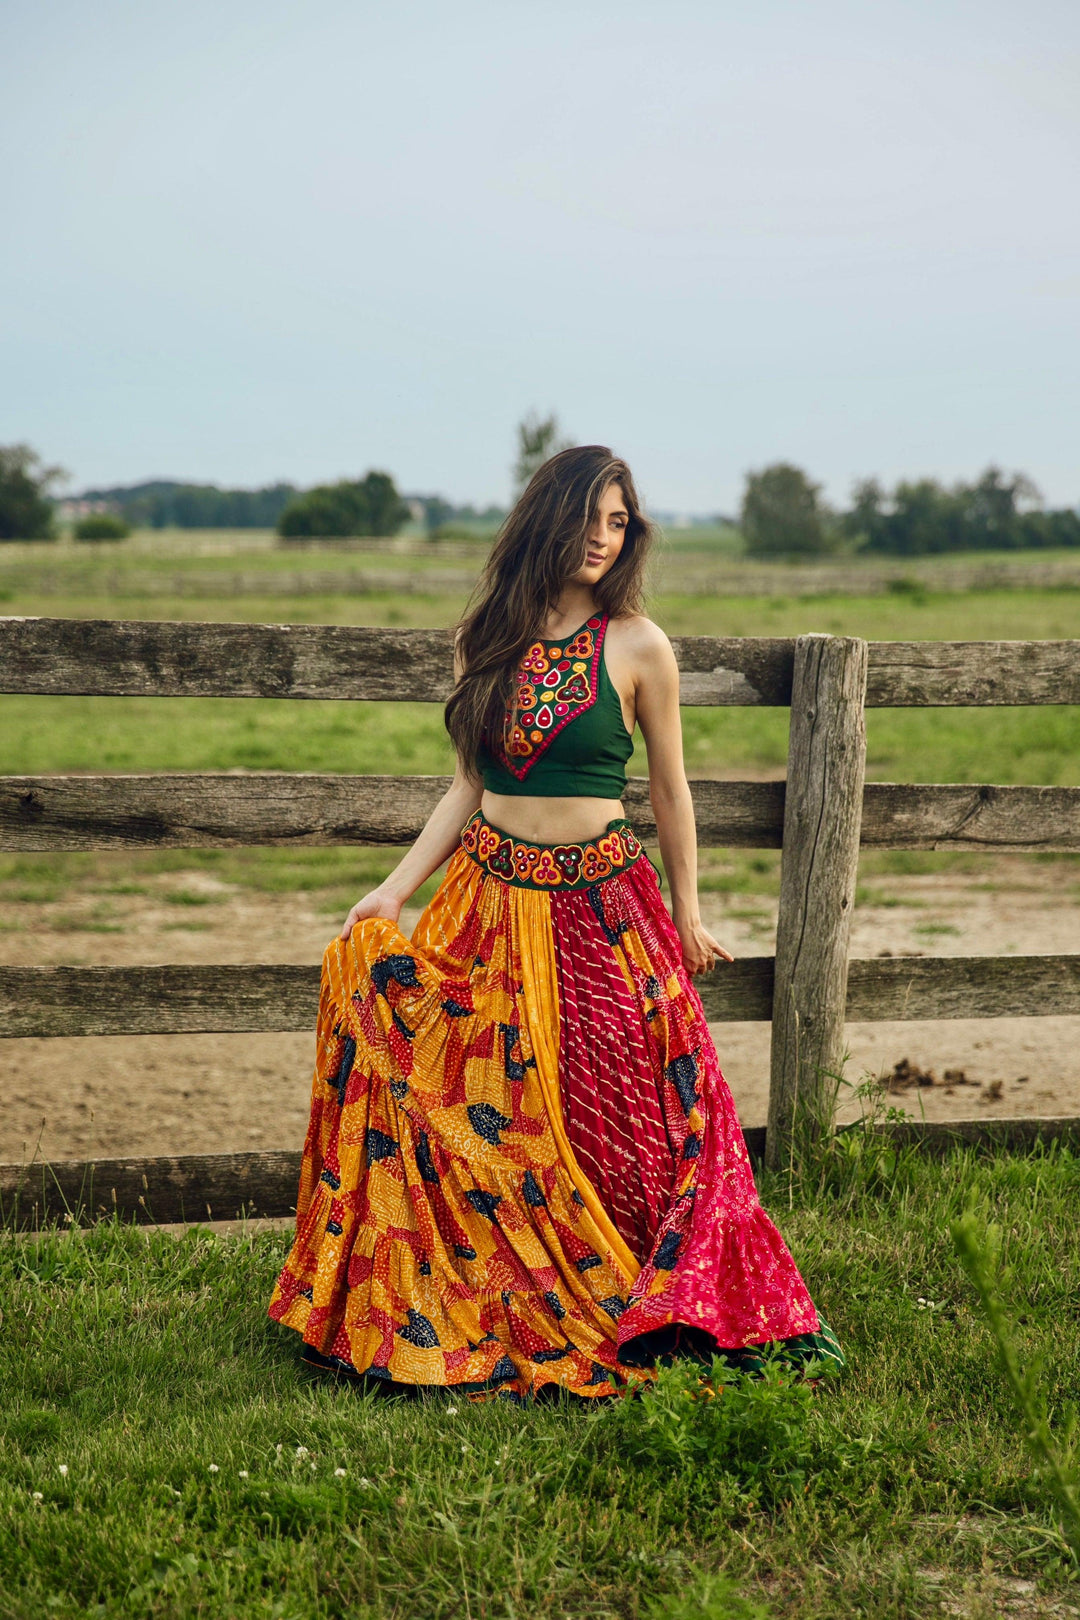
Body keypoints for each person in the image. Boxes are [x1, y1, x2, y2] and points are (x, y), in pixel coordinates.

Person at [269, 445, 841, 1399]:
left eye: (620, 523)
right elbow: (468, 783)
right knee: (451, 1085)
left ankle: (642, 1285)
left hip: (604, 905)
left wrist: (690, 911)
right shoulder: (486, 636)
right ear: (548, 519)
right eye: (589, 519)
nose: (603, 539)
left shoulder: (638, 643)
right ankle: (476, 1287)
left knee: (638, 1095)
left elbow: (668, 789)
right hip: (487, 902)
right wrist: (395, 891)